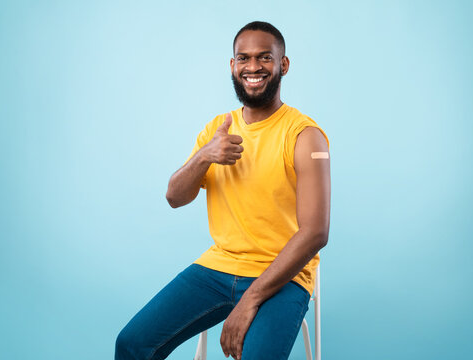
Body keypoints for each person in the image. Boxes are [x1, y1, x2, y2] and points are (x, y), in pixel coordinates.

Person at [115, 21, 330, 360]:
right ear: (233, 66)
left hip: (282, 276)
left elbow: (316, 233)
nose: (253, 67)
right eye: (243, 58)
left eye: (264, 58)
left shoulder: (305, 135)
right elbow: (175, 197)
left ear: (283, 65)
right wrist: (205, 156)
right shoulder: (217, 129)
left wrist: (250, 301)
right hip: (217, 268)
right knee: (131, 344)